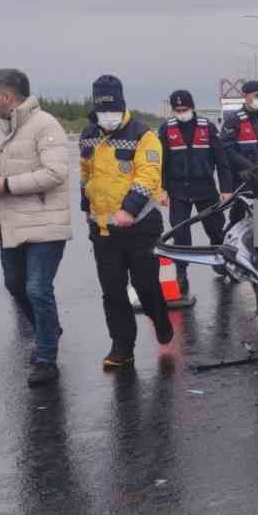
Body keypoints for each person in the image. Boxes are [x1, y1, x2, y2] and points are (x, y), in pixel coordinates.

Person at [0, 68, 72, 385]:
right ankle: (49, 329)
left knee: (37, 288)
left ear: (7, 96)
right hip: (11, 224)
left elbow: (56, 172)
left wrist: (7, 185)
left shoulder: (46, 125)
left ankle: (46, 358)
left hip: (46, 222)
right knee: (15, 285)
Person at [79, 75, 174, 370]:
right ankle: (122, 347)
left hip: (140, 226)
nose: (108, 116)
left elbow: (149, 176)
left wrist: (129, 210)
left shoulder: (144, 135)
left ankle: (160, 320)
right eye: (103, 110)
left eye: (113, 109)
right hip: (103, 230)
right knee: (112, 290)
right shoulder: (88, 134)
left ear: (122, 106)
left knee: (146, 285)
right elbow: (86, 173)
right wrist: (85, 206)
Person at [158, 89, 233, 293]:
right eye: (178, 110)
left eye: (185, 108)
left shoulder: (207, 127)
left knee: (216, 229)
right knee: (180, 233)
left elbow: (221, 160)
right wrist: (161, 189)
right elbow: (160, 164)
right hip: (178, 190)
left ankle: (223, 263)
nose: (182, 112)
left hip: (205, 188)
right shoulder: (166, 130)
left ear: (192, 107)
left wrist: (226, 189)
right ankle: (181, 273)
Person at [224, 79, 258, 166]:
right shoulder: (234, 119)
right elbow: (227, 149)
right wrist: (248, 166)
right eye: (257, 96)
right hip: (243, 172)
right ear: (245, 96)